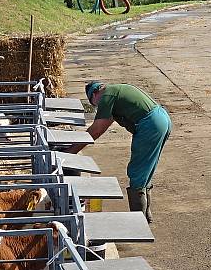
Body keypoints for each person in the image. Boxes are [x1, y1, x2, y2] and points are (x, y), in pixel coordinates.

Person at [67, 82, 171, 222]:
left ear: (95, 94)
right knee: (146, 170)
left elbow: (97, 130)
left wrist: (70, 151)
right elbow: (104, 125)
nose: (97, 107)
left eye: (94, 104)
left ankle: (138, 221)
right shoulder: (116, 91)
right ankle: (146, 216)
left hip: (149, 124)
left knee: (137, 171)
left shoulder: (106, 96)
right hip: (162, 118)